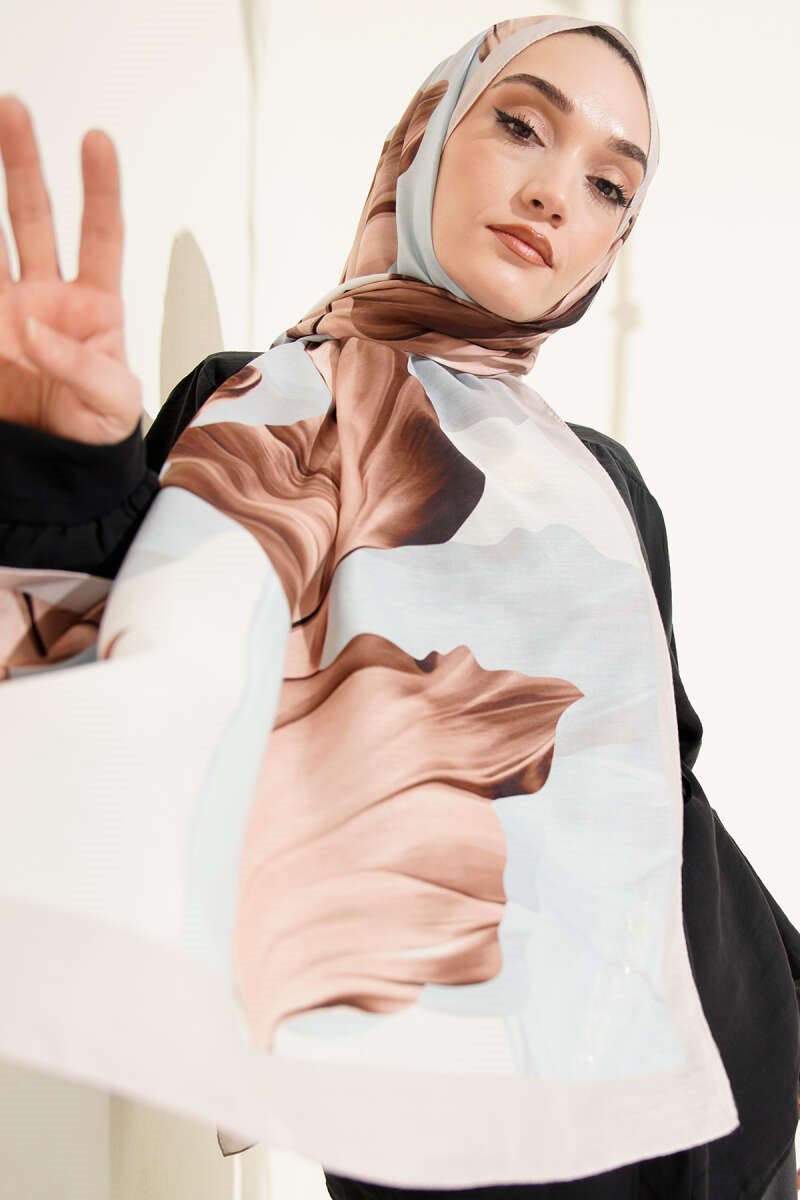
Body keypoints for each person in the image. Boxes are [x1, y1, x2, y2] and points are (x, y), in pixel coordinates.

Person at [0, 14, 799, 1200]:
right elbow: (121, 678)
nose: (553, 193)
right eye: (520, 124)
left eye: (607, 186)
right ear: (422, 138)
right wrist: (63, 458)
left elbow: (661, 798)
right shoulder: (259, 418)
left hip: (722, 1108)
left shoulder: (601, 487)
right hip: (457, 1134)